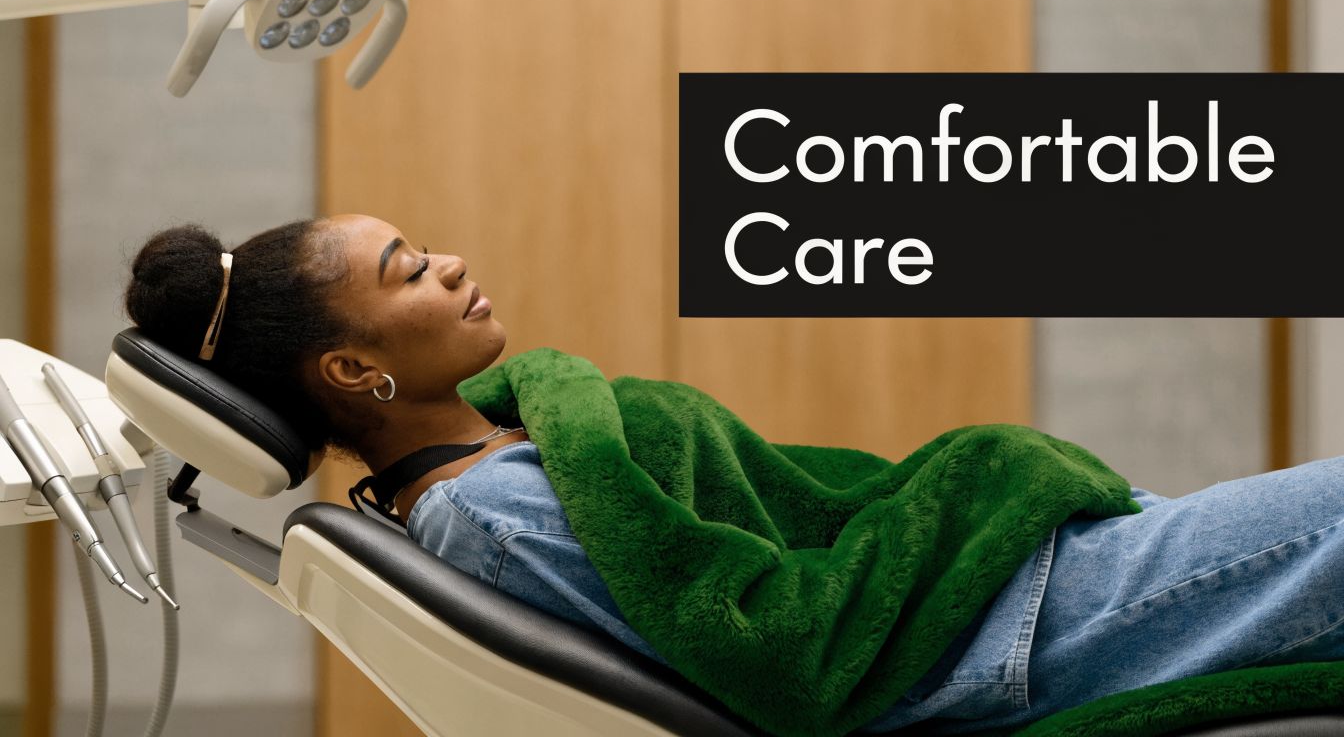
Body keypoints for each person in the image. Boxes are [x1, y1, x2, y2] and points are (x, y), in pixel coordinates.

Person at [125, 214, 1344, 734]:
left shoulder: (478, 463)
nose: (449, 265)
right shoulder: (488, 517)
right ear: (354, 369)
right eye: (406, 271)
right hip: (1005, 635)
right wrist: (958, 504)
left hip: (1015, 599)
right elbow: (775, 653)